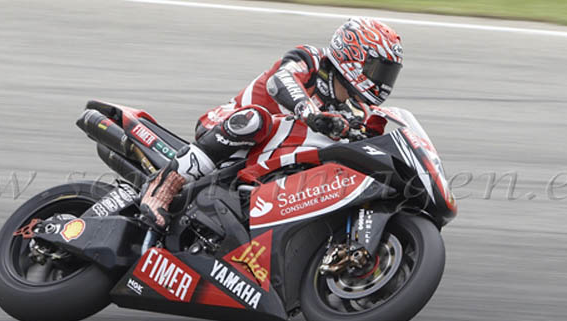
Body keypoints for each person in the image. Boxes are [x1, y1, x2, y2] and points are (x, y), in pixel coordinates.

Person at [140, 17, 404, 230]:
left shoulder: (358, 111)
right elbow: (279, 82)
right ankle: (163, 186)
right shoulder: (311, 60)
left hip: (272, 160)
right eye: (378, 69)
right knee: (256, 120)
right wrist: (311, 114)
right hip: (231, 128)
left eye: (389, 74)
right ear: (352, 56)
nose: (383, 80)